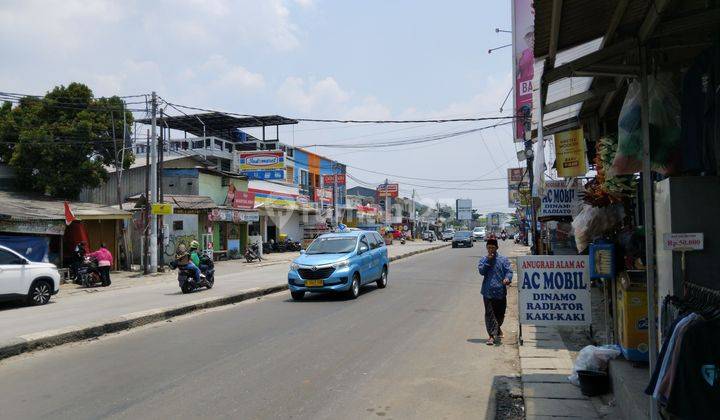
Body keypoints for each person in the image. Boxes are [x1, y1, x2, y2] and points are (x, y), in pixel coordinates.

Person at [478, 238, 513, 345]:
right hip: (487, 292)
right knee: (490, 314)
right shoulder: (483, 259)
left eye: (493, 247)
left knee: (500, 315)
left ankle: (497, 328)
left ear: (497, 248)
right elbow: (481, 271)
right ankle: (491, 336)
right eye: (489, 248)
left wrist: (507, 278)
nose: (491, 250)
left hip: (500, 291)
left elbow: (509, 271)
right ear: (486, 248)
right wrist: (488, 261)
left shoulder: (503, 259)